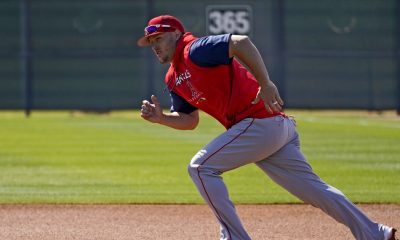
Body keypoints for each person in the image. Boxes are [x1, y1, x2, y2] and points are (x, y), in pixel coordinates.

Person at [137, 15, 397, 240]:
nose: (154, 46)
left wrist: (266, 82)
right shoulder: (172, 77)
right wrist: (162, 118)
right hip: (270, 129)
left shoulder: (194, 49)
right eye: (151, 42)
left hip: (259, 123)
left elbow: (240, 42)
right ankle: (375, 232)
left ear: (176, 33)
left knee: (200, 167)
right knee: (317, 191)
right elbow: (189, 120)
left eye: (158, 38)